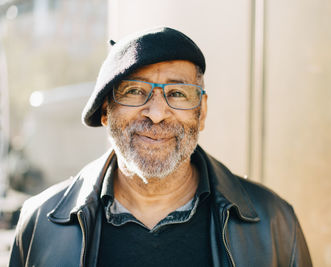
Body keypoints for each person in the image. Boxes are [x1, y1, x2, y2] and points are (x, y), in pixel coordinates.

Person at [9, 27, 312, 267]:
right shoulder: (40, 224)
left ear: (201, 112)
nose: (156, 113)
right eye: (134, 91)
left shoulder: (274, 223)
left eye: (178, 93)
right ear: (105, 111)